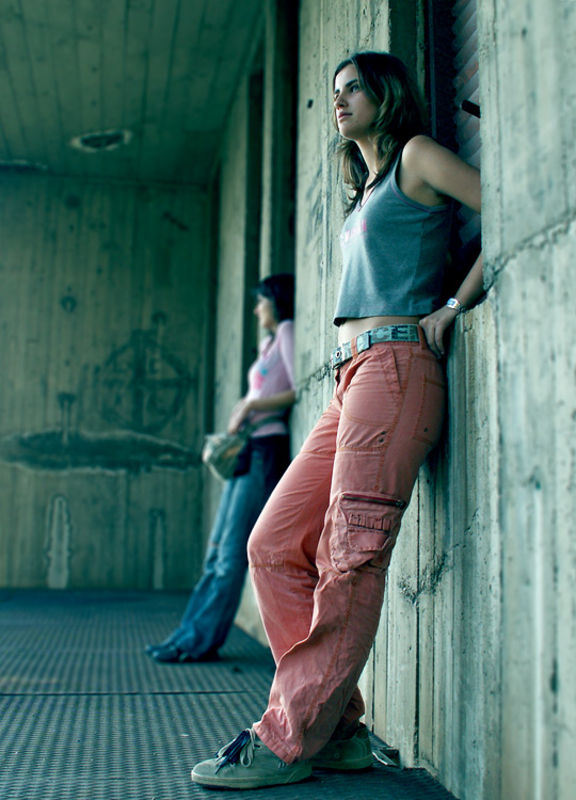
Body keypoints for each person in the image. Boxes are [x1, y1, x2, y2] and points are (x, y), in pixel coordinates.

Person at [191, 51, 484, 789]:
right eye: (333, 91)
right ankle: (338, 730)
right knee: (272, 544)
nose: (340, 100)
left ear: (386, 92)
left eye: (353, 87)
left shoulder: (416, 156)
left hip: (396, 368)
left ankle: (288, 738)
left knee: (350, 556)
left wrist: (453, 306)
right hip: (348, 379)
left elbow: (503, 205)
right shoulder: (368, 189)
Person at [146, 273, 296, 664]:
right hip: (248, 449)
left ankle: (198, 642)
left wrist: (250, 405)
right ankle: (187, 636)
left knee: (230, 556)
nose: (256, 309)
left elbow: (295, 390)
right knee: (215, 552)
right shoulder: (267, 344)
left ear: (275, 301)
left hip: (265, 449)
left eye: (260, 301)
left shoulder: (287, 332)